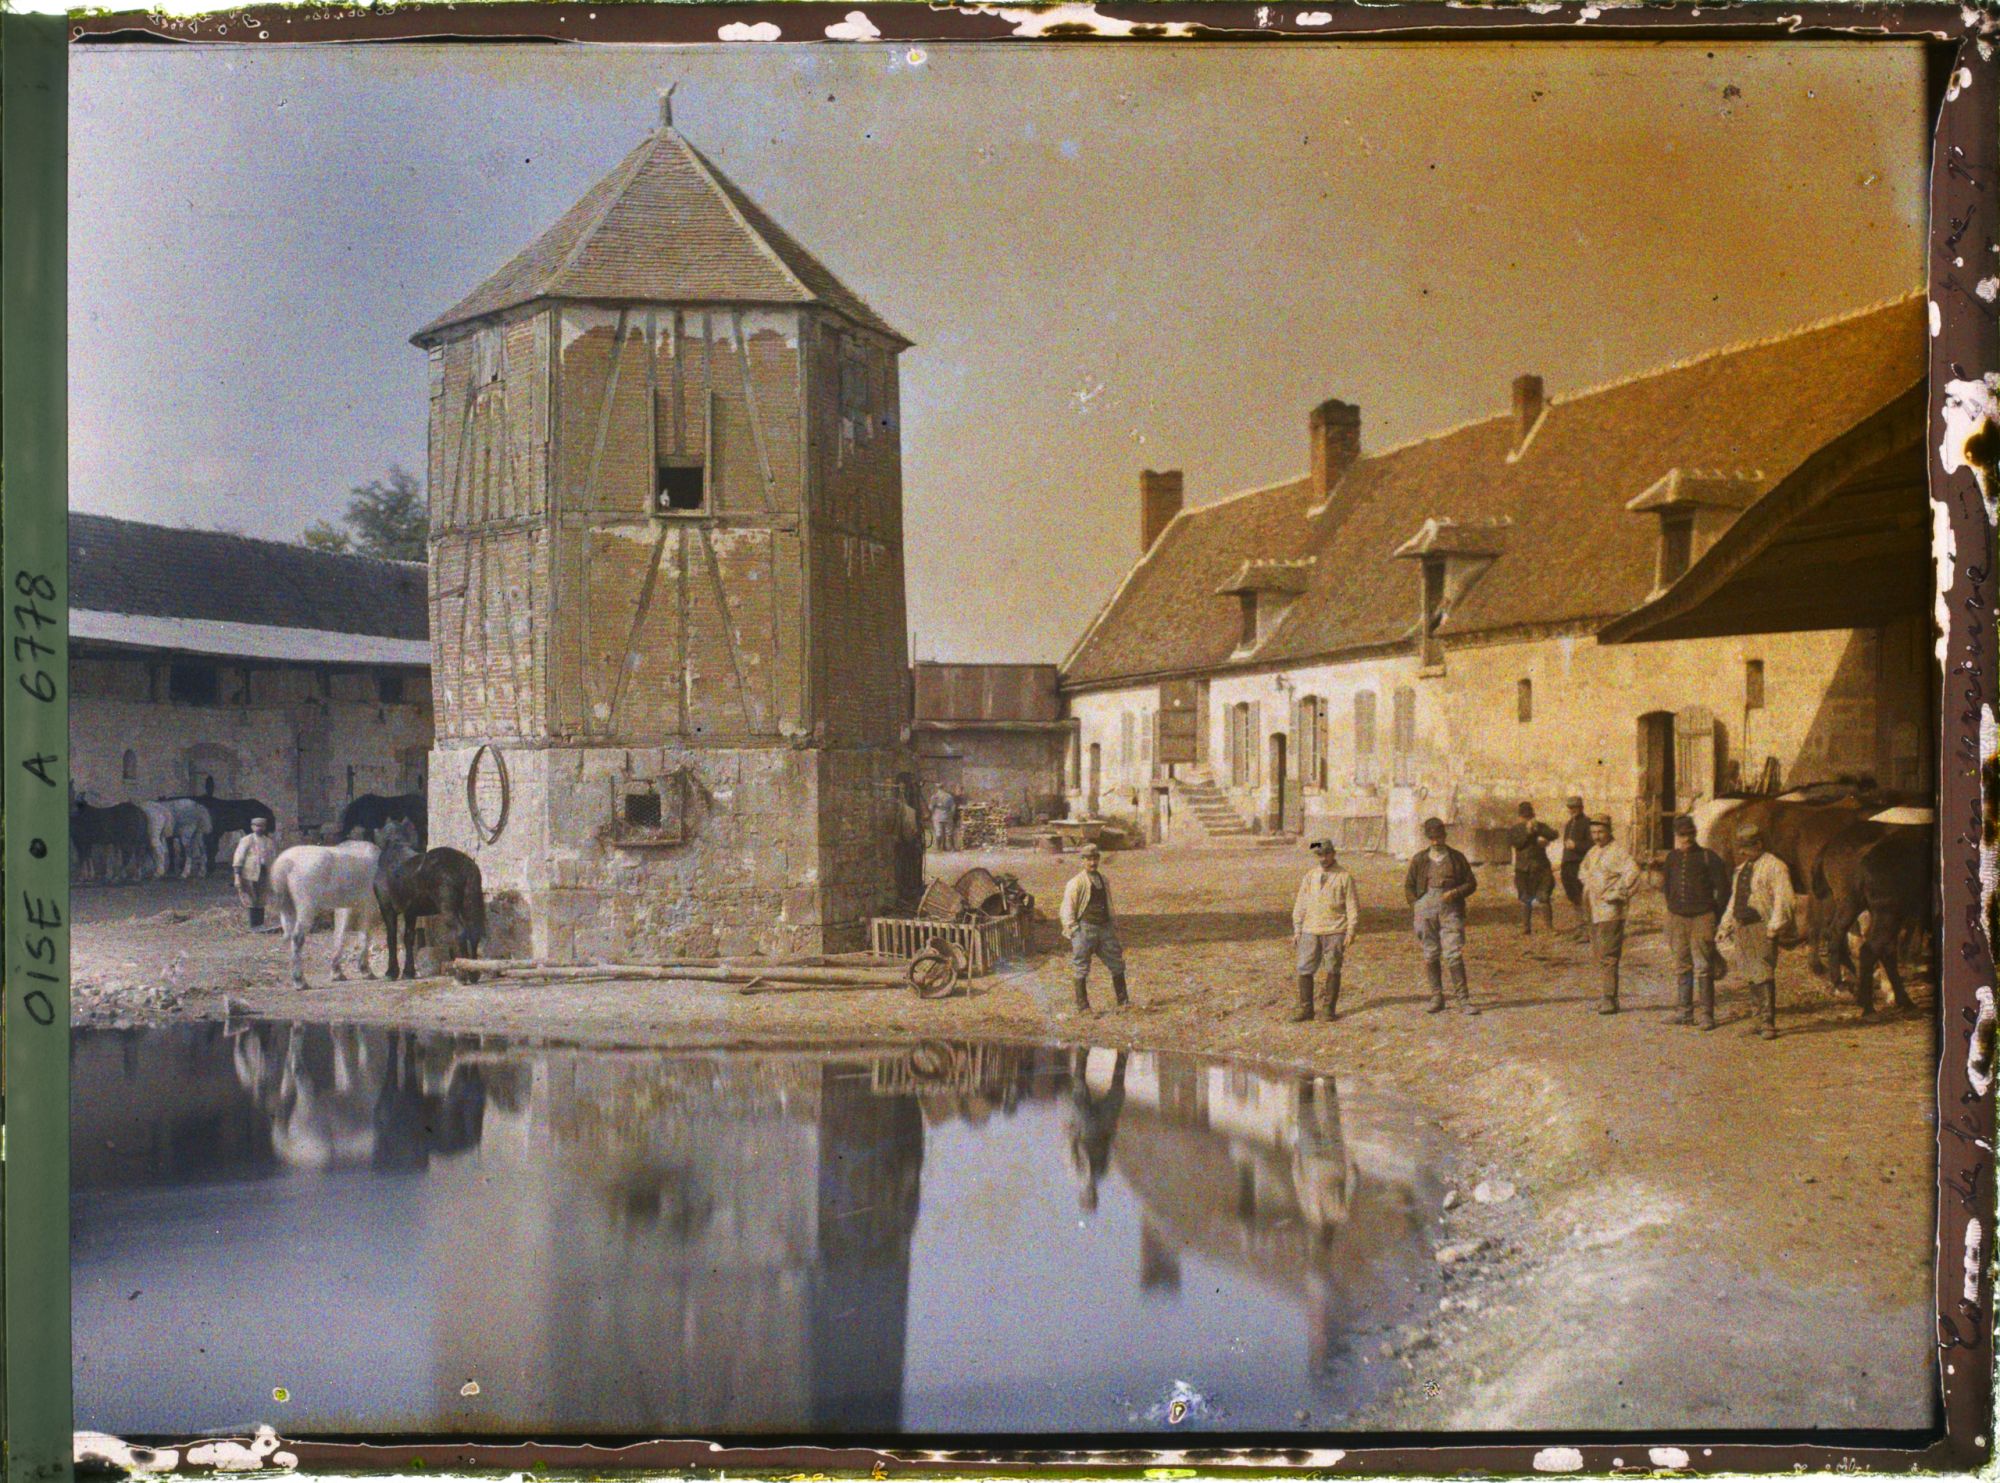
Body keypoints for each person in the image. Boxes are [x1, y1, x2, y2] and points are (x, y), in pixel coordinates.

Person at [1717, 823, 1796, 1041]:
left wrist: (1775, 926)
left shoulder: (1775, 866)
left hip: (1762, 926)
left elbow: (1785, 898)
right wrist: (1726, 925)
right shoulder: (1742, 870)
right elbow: (1734, 899)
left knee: (1763, 973)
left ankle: (1768, 1022)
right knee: (1749, 974)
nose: (1743, 852)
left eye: (1747, 847)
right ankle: (1755, 1019)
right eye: (1741, 848)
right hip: (1742, 926)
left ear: (1759, 844)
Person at [1661, 814, 1732, 1028]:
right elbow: (1667, 888)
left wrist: (1715, 916)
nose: (1687, 839)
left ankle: (1706, 1015)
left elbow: (1725, 889)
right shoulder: (1671, 858)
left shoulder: (1708, 857)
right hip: (1677, 919)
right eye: (1682, 835)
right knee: (1682, 965)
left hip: (1703, 918)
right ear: (1676, 836)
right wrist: (1673, 909)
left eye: (1690, 834)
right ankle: (1684, 1012)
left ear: (1696, 833)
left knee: (1703, 966)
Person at [1404, 817, 1479, 1015]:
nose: (1436, 842)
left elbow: (1471, 883)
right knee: (1430, 952)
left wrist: (1455, 893)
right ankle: (1437, 997)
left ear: (1445, 836)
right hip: (1425, 907)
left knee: (1453, 951)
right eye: (1432, 838)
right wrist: (1417, 905)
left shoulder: (1457, 857)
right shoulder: (1420, 859)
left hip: (1451, 908)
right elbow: (1409, 886)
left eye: (1439, 837)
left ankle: (1463, 1000)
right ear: (1428, 838)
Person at [1578, 814, 1643, 1014]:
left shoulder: (1618, 852)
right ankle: (1607, 995)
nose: (1597, 836)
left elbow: (1633, 873)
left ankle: (1609, 998)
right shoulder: (1593, 852)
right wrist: (1592, 885)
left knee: (1609, 956)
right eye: (1593, 833)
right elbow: (1583, 872)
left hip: (1610, 911)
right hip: (1594, 910)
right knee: (1600, 954)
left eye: (1600, 832)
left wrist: (1617, 893)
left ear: (1609, 831)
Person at [1291, 839, 1360, 1023]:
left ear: (1333, 853)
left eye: (1326, 854)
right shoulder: (1310, 876)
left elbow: (1352, 905)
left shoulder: (1344, 876)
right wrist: (1297, 929)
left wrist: (1351, 930)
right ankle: (1306, 1009)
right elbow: (1301, 903)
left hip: (1335, 930)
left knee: (1332, 968)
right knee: (1304, 968)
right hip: (1310, 929)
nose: (1322, 859)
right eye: (1319, 855)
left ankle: (1329, 1009)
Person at [1060, 842, 1128, 1013]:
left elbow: (1109, 904)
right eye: (1088, 859)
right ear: (1082, 860)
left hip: (1104, 928)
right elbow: (1067, 908)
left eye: (1095, 859)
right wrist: (1074, 929)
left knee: (1117, 963)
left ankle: (1124, 1001)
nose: (1092, 863)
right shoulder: (1076, 883)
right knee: (1081, 965)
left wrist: (1113, 925)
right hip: (1085, 929)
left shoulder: (1103, 880)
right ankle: (1083, 1007)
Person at [1064, 1046, 1129, 1213]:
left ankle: (1082, 1050)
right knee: (1117, 1094)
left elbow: (1070, 1147)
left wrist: (1071, 1131)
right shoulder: (1102, 1174)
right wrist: (1112, 1130)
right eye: (1092, 1197)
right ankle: (1122, 1054)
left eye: (1088, 1197)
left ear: (1082, 1194)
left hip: (1084, 1128)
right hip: (1101, 1128)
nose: (1090, 1194)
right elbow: (1109, 1148)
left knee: (1079, 1088)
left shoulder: (1075, 1173)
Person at [1509, 802, 1559, 935]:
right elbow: (1516, 843)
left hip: (1541, 868)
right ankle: (1526, 928)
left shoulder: (1540, 826)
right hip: (1523, 869)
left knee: (1544, 897)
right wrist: (1528, 832)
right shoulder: (1515, 829)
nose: (1526, 819)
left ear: (1532, 816)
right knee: (1525, 899)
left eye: (1528, 816)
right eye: (1524, 817)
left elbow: (1554, 834)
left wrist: (1540, 833)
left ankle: (1548, 928)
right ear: (1519, 817)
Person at [232, 816, 280, 930]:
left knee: (262, 898)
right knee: (251, 898)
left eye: (261, 826)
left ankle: (260, 924)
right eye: (256, 826)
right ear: (252, 827)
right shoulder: (247, 840)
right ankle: (253, 925)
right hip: (249, 873)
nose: (259, 828)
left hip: (264, 873)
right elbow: (239, 857)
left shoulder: (268, 841)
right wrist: (237, 876)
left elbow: (273, 858)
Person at [1559, 795, 1593, 939]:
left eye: (1574, 807)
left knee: (1582, 897)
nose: (1572, 810)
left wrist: (1577, 846)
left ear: (1581, 808)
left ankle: (1588, 931)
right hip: (1568, 865)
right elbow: (1566, 846)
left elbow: (1592, 845)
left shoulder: (1587, 823)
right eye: (1570, 808)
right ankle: (1580, 927)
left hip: (1579, 864)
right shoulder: (1568, 824)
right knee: (1573, 897)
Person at [927, 781, 958, 851]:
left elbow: (931, 808)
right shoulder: (948, 796)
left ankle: (939, 848)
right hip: (947, 815)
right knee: (949, 832)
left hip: (937, 816)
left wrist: (931, 813)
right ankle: (952, 848)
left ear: (937, 788)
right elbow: (953, 806)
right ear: (944, 787)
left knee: (939, 833)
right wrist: (951, 815)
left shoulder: (934, 797)